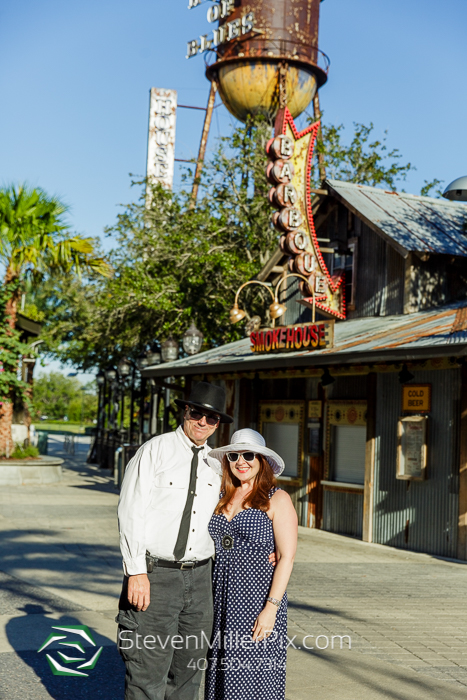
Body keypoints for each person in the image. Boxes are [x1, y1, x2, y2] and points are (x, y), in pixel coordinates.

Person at [116, 381, 232, 700]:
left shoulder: (217, 463)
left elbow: (236, 508)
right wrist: (136, 571)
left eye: (212, 419)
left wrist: (273, 547)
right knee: (146, 671)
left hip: (200, 578)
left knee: (189, 672)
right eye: (198, 414)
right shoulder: (155, 450)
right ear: (185, 411)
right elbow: (130, 511)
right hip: (156, 575)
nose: (203, 423)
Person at [205, 429, 298, 700]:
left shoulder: (277, 498)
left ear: (262, 461)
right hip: (220, 598)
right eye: (234, 455)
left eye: (249, 455)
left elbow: (287, 557)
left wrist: (271, 608)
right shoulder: (220, 495)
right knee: (222, 672)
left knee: (252, 677)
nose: (240, 461)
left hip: (257, 600)